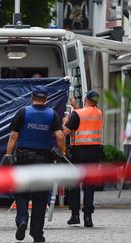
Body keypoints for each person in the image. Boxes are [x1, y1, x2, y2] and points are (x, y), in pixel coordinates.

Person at [4, 86, 65, 242]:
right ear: (46, 99)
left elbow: (13, 137)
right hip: (44, 162)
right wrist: (62, 154)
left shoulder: (23, 112)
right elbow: (59, 136)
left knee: (21, 193)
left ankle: (22, 220)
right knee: (40, 198)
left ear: (32, 97)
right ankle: (37, 233)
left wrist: (8, 155)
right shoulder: (52, 115)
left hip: (23, 160)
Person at [62, 90, 103, 228]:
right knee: (89, 185)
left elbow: (65, 132)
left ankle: (75, 216)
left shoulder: (77, 114)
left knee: (74, 184)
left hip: (78, 152)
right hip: (94, 152)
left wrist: (66, 119)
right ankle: (88, 217)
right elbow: (86, 116)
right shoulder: (99, 113)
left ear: (85, 99)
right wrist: (76, 108)